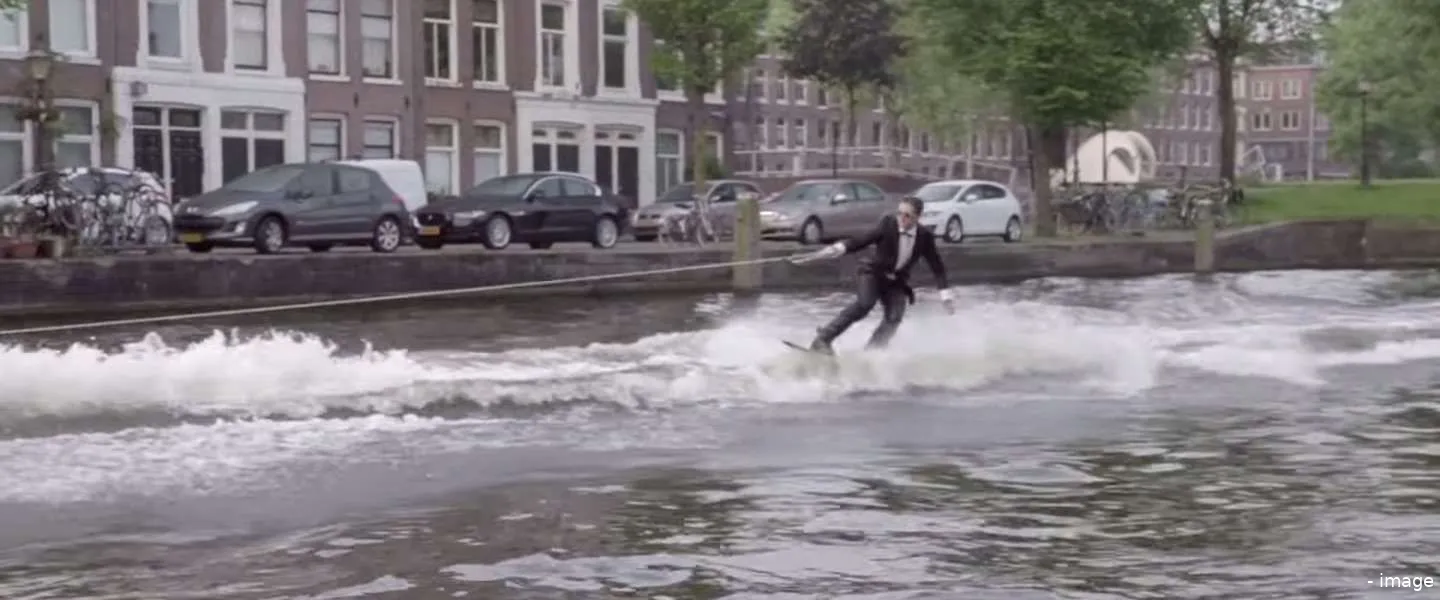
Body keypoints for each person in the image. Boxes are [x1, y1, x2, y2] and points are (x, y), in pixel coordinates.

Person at [788, 195, 954, 354]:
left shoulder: (925, 237)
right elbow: (862, 240)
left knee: (894, 318)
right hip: (873, 274)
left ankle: (872, 353)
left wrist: (945, 296)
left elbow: (937, 266)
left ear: (918, 217)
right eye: (900, 213)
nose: (902, 219)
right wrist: (836, 249)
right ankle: (823, 340)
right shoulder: (888, 224)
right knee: (864, 304)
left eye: (907, 216)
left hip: (896, 282)